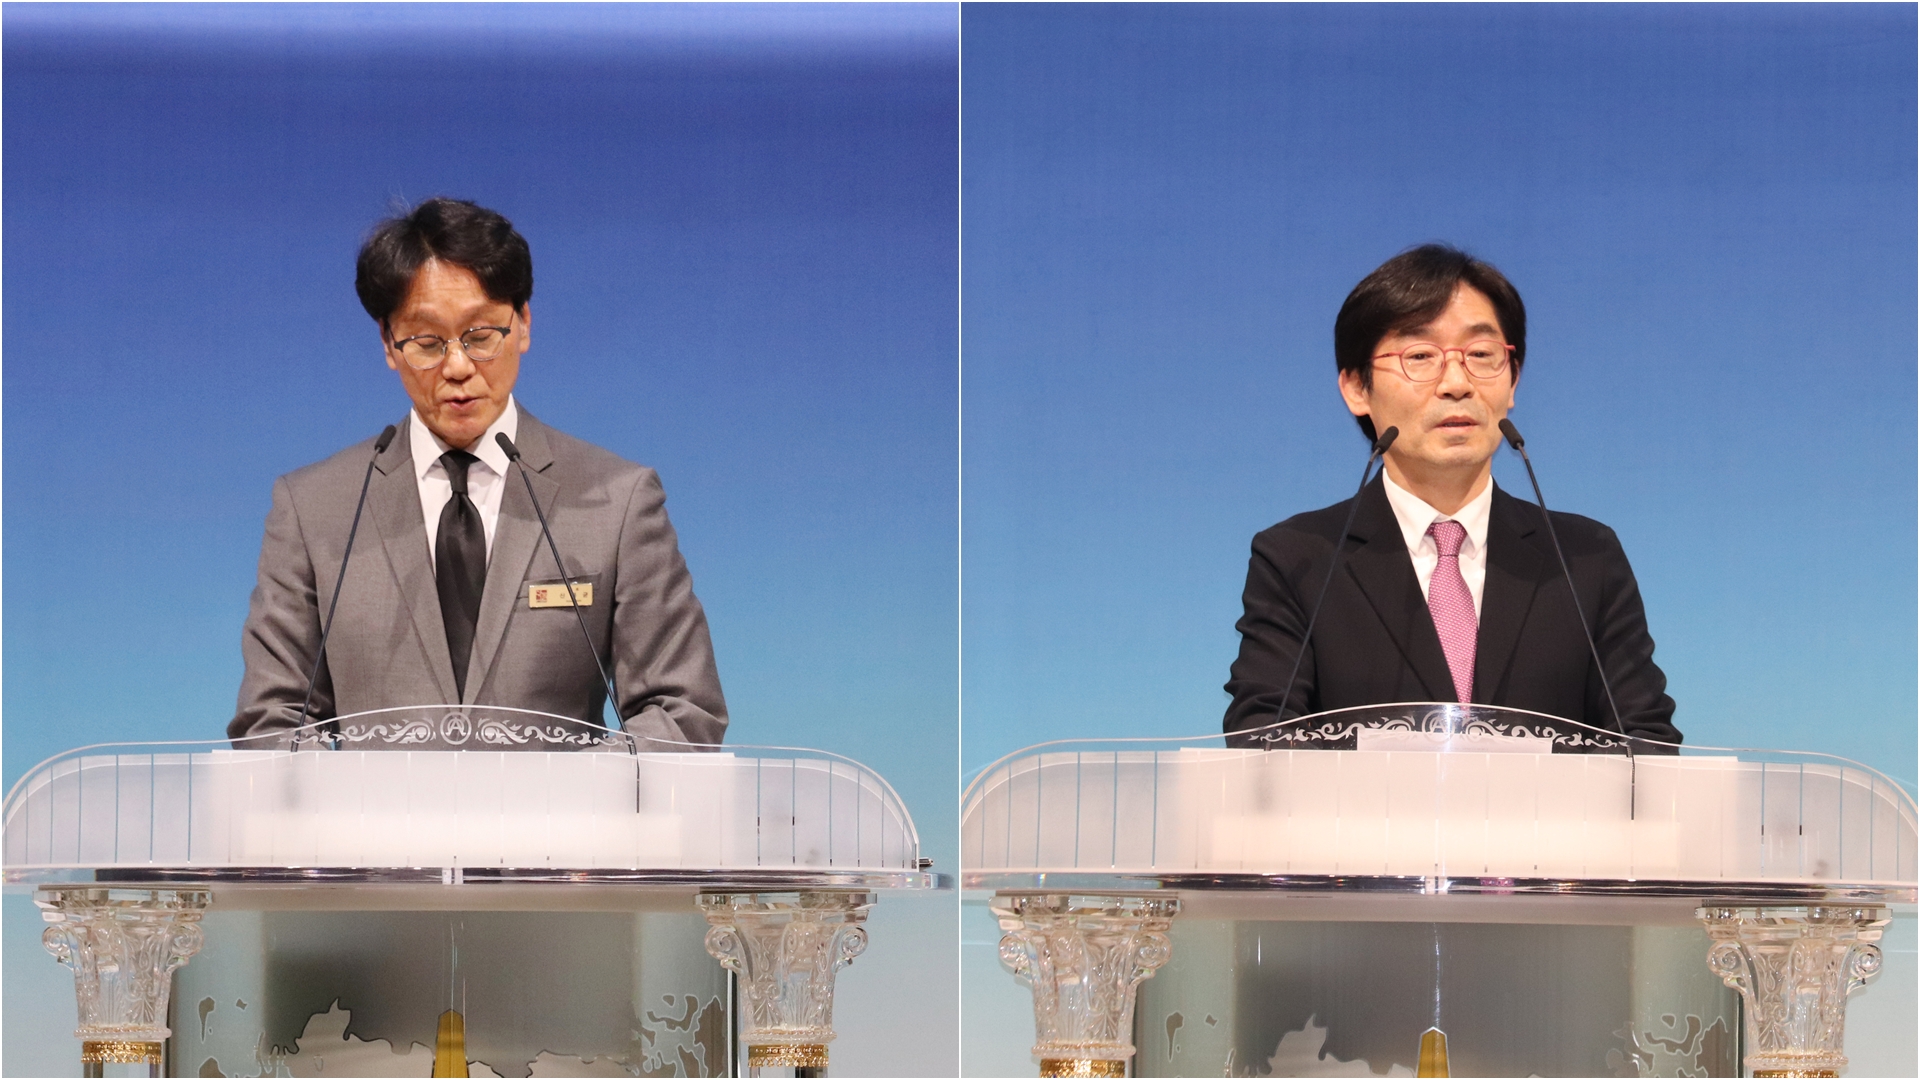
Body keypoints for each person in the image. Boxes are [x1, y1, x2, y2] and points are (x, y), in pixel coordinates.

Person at [229, 198, 727, 747]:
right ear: (388, 344)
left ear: (524, 324)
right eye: (426, 343)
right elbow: (272, 721)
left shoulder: (617, 501)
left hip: (563, 808)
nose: (458, 366)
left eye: (481, 335)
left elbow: (682, 709)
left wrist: (578, 790)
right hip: (373, 809)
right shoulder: (314, 509)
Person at [1223, 244, 1679, 747]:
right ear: (1356, 388)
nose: (1457, 383)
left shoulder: (1586, 559)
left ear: (1513, 381)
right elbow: (1260, 738)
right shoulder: (1300, 559)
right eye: (1420, 356)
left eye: (1481, 355)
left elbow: (1647, 741)